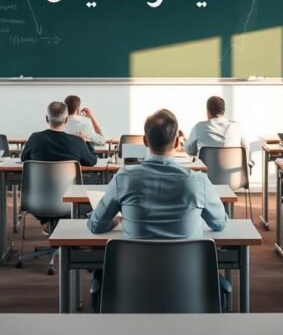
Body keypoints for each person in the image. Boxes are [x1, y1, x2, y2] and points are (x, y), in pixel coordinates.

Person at [88, 108, 228, 309]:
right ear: (178, 142)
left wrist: (115, 220)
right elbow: (219, 223)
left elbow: (95, 225)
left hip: (131, 288)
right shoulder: (198, 182)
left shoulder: (123, 179)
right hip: (189, 288)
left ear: (145, 141)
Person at [21, 101, 99, 168]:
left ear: (47, 119)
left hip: (38, 185)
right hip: (70, 185)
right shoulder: (78, 141)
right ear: (66, 119)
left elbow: (24, 158)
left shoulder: (35, 138)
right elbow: (92, 161)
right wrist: (86, 142)